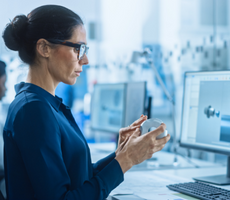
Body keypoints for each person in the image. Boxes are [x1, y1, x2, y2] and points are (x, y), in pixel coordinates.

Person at [2, 5, 170, 200]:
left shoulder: (44, 104)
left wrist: (121, 153)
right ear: (44, 48)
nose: (86, 60)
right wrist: (127, 159)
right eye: (78, 49)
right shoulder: (33, 109)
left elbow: (76, 178)